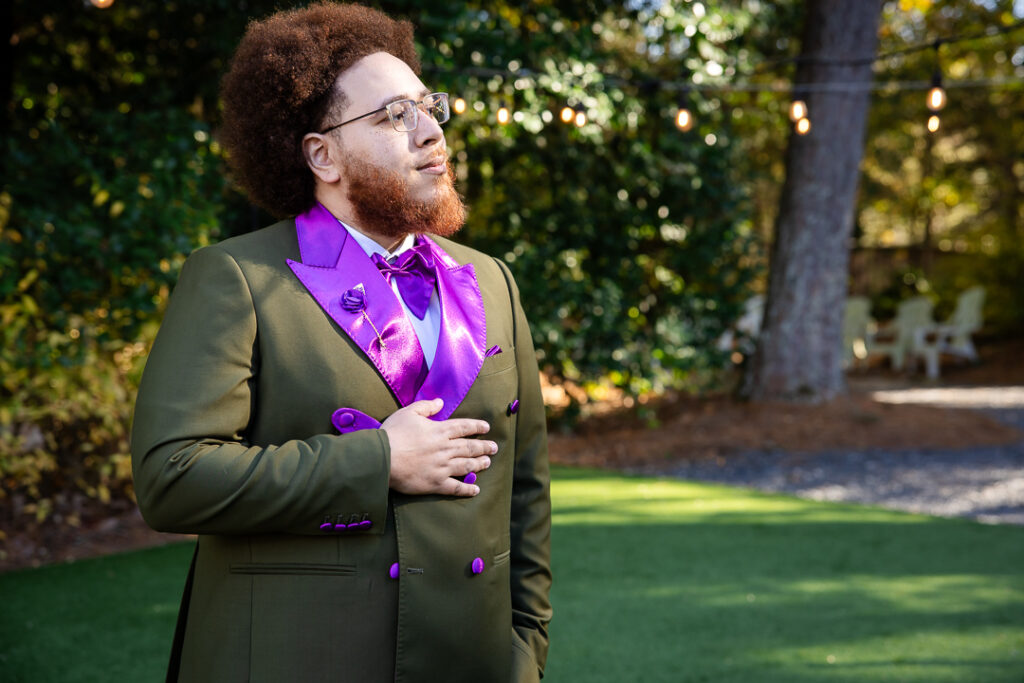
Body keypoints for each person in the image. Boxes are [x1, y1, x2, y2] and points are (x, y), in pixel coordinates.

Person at [129, 3, 552, 682]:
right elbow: (171, 478)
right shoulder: (235, 278)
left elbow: (525, 493)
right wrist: (377, 460)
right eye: (395, 115)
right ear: (321, 155)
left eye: (430, 107)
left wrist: (524, 653)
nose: (431, 131)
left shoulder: (493, 281)